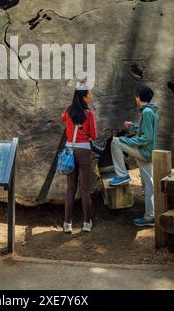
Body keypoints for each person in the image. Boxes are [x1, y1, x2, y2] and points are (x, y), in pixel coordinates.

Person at [108, 85, 159, 227]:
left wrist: (126, 140)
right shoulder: (152, 111)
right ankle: (151, 216)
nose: (135, 98)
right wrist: (132, 127)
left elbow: (147, 137)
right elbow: (145, 131)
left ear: (139, 97)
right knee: (149, 184)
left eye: (136, 96)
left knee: (115, 142)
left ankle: (122, 175)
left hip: (144, 151)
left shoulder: (147, 112)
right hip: (149, 152)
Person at [61, 82, 103, 234]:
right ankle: (86, 223)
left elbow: (63, 118)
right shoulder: (89, 114)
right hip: (84, 151)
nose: (91, 96)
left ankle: (67, 223)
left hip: (69, 151)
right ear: (83, 97)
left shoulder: (68, 111)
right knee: (85, 189)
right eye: (89, 95)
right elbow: (94, 135)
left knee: (70, 189)